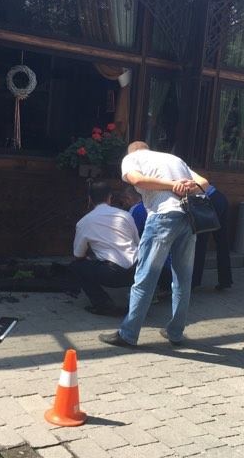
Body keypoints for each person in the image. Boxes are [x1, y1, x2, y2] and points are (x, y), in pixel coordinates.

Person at [99, 141, 208, 348]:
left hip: (163, 216)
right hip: (188, 219)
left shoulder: (132, 158)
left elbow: (137, 179)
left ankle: (128, 334)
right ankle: (175, 332)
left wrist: (172, 185)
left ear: (133, 151)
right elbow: (204, 183)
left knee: (145, 277)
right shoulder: (175, 159)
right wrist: (185, 186)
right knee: (183, 279)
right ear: (148, 149)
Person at [70, 181, 139, 317]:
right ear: (110, 197)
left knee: (77, 267)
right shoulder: (125, 215)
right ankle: (138, 305)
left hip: (111, 274)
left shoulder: (84, 222)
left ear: (90, 199)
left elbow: (78, 255)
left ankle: (104, 305)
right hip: (136, 270)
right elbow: (137, 242)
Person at [191, 185, 232, 291]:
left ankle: (193, 282)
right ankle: (225, 280)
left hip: (207, 201)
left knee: (200, 243)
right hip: (219, 198)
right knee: (222, 242)